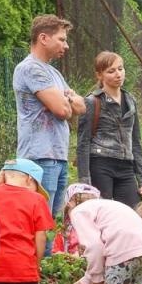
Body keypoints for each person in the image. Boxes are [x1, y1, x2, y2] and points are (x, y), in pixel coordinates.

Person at [13, 15, 85, 227]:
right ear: (43, 38)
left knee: (51, 221)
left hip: (58, 156)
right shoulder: (30, 68)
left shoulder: (53, 73)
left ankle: (47, 260)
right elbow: (63, 110)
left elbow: (80, 107)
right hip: (39, 157)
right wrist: (67, 99)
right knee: (39, 223)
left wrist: (67, 99)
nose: (67, 45)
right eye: (61, 39)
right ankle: (37, 261)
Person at [76, 51, 142, 208]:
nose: (118, 74)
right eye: (111, 71)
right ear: (99, 75)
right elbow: (83, 143)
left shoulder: (131, 101)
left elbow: (136, 141)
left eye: (120, 69)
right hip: (100, 163)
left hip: (126, 165)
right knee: (103, 214)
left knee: (134, 214)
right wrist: (84, 181)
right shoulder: (91, 102)